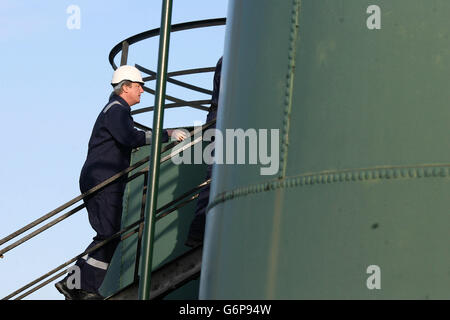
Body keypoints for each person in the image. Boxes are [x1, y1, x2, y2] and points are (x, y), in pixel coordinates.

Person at [55, 65, 187, 300]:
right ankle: (76, 284)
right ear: (125, 87)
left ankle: (77, 283)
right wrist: (167, 134)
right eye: (139, 86)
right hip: (104, 179)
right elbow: (129, 137)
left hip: (102, 177)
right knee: (108, 233)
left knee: (108, 234)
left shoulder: (115, 110)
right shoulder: (117, 110)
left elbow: (128, 136)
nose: (142, 92)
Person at [185, 57, 222, 248]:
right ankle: (197, 232)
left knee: (215, 176)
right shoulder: (233, 58)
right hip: (222, 120)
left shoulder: (228, 58)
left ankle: (198, 232)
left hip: (219, 119)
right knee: (215, 177)